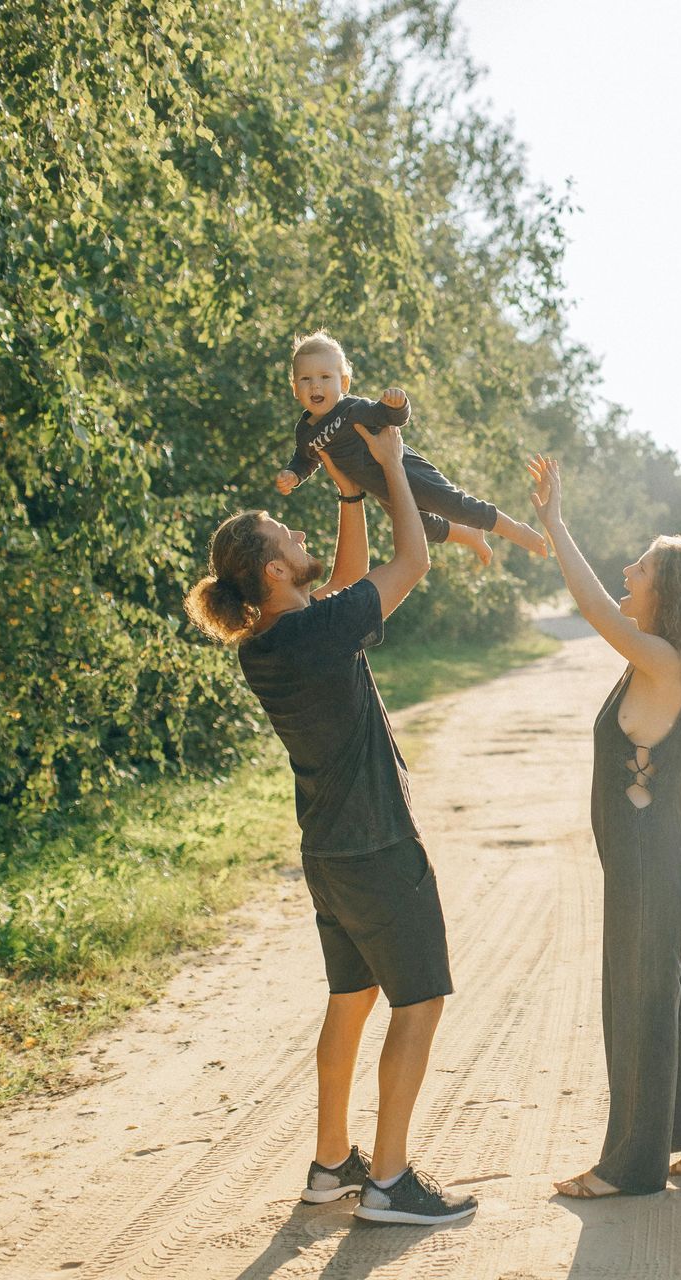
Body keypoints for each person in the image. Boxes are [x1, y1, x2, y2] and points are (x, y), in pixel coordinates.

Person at [183, 419, 476, 1226]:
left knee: (351, 997)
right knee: (419, 1001)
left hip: (329, 854)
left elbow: (343, 579)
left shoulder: (273, 639)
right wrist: (389, 469)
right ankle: (388, 1181)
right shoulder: (313, 632)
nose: (299, 529)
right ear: (276, 570)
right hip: (378, 846)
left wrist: (351, 494)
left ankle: (329, 1164)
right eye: (289, 532)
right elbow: (411, 562)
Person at [526, 454, 681, 1198]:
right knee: (675, 987)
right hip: (649, 857)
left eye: (644, 567)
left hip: (650, 861)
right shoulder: (654, 660)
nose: (630, 570)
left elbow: (593, 608)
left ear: (668, 595)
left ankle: (630, 1165)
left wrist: (555, 522)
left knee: (639, 1000)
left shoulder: (660, 660)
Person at [274, 330, 549, 567]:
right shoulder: (305, 431)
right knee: (417, 528)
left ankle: (514, 529)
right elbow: (306, 459)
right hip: (383, 488)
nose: (315, 386)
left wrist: (397, 404)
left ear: (343, 383)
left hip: (405, 468)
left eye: (324, 377)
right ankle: (470, 536)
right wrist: (294, 474)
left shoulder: (354, 409)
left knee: (453, 504)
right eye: (305, 380)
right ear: (295, 388)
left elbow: (392, 418)